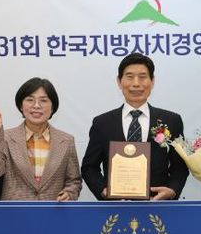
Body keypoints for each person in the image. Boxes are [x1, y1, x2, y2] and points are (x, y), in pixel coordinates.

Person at [81, 52, 189, 200]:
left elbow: (180, 166)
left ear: (152, 81)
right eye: (129, 77)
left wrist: (172, 190)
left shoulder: (171, 120)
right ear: (119, 81)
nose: (136, 83)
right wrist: (103, 190)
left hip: (158, 205)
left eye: (143, 77)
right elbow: (89, 167)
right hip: (115, 206)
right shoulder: (102, 123)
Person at [0, 77, 81, 200]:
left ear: (52, 107)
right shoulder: (6, 138)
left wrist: (69, 193)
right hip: (14, 211)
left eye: (43, 100)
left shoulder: (66, 141)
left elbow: (74, 180)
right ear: (21, 106)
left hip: (53, 210)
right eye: (30, 100)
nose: (36, 106)